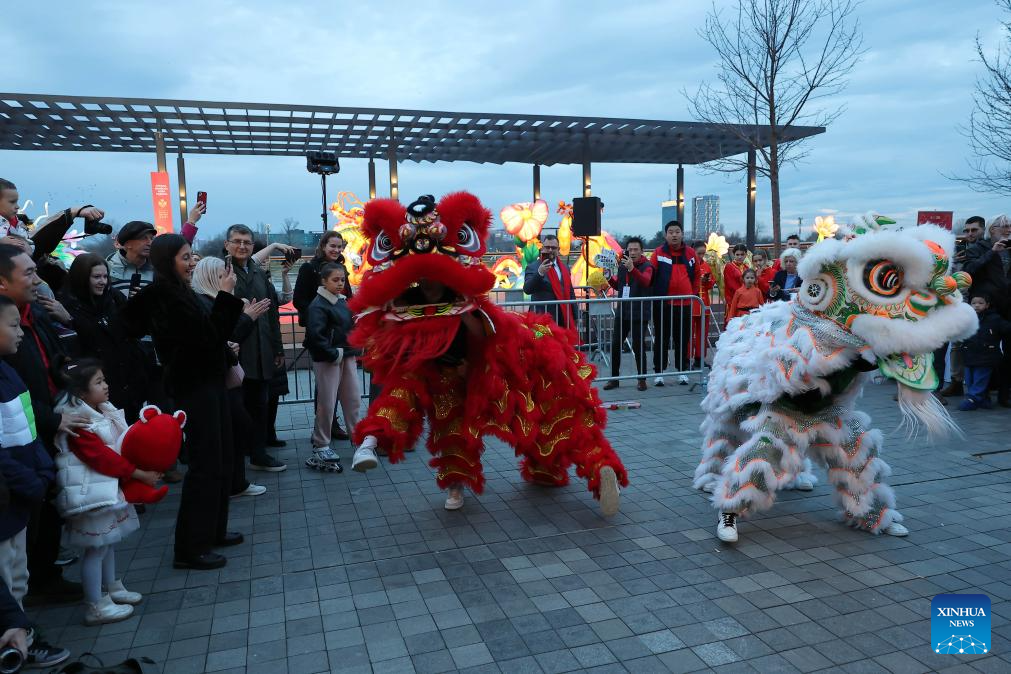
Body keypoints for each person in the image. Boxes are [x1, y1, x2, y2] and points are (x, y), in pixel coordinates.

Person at [122, 234, 244, 570]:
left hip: (209, 381)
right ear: (167, 261)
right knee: (205, 465)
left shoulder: (179, 292)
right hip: (194, 386)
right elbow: (207, 338)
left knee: (222, 458)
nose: (192, 263)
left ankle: (213, 531)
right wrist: (226, 297)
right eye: (185, 258)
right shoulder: (165, 296)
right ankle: (190, 548)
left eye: (192, 257)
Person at [0, 244, 85, 604]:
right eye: (29, 274)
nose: (38, 280)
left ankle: (45, 575)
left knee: (48, 508)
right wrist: (52, 417)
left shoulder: (36, 313)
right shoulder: (5, 326)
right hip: (22, 440)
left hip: (48, 426)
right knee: (26, 526)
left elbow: (59, 360)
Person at [52, 358, 147, 625]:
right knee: (96, 548)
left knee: (108, 542)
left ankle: (112, 587)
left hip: (102, 489)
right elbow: (100, 457)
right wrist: (136, 472)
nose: (106, 386)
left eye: (104, 380)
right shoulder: (80, 421)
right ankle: (95, 603)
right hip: (89, 494)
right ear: (82, 392)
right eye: (99, 382)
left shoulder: (99, 410)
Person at [190, 257, 269, 499]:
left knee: (238, 427)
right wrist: (247, 319)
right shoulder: (204, 303)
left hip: (228, 378)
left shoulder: (215, 301)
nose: (231, 278)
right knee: (236, 428)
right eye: (225, 274)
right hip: (217, 380)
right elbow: (222, 337)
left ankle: (236, 482)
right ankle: (233, 483)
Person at [0, 295, 55, 611]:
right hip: (9, 495)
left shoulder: (9, 371)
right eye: (11, 325)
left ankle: (24, 636)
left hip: (24, 492)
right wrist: (30, 481)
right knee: (6, 577)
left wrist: (42, 469)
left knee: (18, 575)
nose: (21, 330)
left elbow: (28, 426)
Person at [223, 225, 287, 473]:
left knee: (260, 406)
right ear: (227, 245)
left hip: (262, 352)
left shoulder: (260, 274)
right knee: (237, 411)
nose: (242, 246)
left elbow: (272, 314)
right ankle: (240, 457)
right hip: (236, 352)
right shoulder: (222, 273)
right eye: (237, 241)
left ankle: (259, 453)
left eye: (247, 242)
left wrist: (278, 348)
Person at [58, 254, 149, 421]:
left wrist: (137, 310)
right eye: (96, 277)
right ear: (82, 277)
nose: (103, 281)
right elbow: (88, 340)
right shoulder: (67, 305)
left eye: (105, 276)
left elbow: (131, 332)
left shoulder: (114, 298)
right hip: (98, 385)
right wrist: (71, 321)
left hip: (129, 379)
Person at [293, 232, 354, 440]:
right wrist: (319, 314)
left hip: (341, 335)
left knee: (344, 387)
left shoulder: (342, 268)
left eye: (340, 247)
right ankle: (325, 426)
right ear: (323, 245)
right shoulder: (309, 268)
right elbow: (298, 299)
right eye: (333, 246)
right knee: (325, 387)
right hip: (321, 332)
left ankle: (332, 424)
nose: (336, 250)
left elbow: (349, 298)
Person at [303, 264, 362, 471]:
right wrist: (333, 353)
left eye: (342, 280)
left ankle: (358, 441)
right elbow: (315, 336)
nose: (340, 284)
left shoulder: (342, 302)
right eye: (335, 280)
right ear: (324, 281)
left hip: (345, 355)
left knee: (353, 399)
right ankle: (321, 444)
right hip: (329, 358)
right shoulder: (318, 305)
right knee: (327, 403)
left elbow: (351, 328)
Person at [251, 241, 296, 449]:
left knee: (273, 395)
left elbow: (285, 298)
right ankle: (257, 440)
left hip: (272, 345)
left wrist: (286, 275)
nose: (264, 262)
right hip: (255, 347)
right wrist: (276, 244)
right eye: (263, 258)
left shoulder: (266, 281)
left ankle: (270, 433)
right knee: (258, 399)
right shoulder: (246, 278)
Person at [649, 221, 697, 386]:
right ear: (666, 235)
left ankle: (682, 371)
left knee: (682, 339)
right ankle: (659, 373)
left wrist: (692, 293)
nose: (674, 235)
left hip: (684, 304)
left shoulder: (691, 253)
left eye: (677, 231)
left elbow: (696, 275)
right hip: (663, 305)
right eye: (671, 232)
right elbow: (651, 275)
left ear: (682, 234)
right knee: (661, 338)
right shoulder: (658, 253)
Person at [603, 237, 653, 391]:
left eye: (635, 249)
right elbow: (619, 286)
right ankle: (614, 379)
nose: (632, 252)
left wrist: (633, 269)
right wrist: (608, 277)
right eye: (629, 250)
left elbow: (646, 281)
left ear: (641, 251)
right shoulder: (623, 266)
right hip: (622, 311)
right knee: (616, 344)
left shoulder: (647, 266)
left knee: (638, 345)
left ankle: (642, 379)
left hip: (639, 312)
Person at [959, 294, 1011, 411]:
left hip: (986, 357)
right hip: (969, 355)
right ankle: (983, 399)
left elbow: (1007, 328)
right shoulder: (966, 318)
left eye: (980, 303)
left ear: (987, 305)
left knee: (980, 380)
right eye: (974, 303)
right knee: (970, 380)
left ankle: (972, 399)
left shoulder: (995, 319)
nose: (977, 305)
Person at [523, 234, 577, 331]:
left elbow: (570, 292)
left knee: (561, 345)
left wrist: (576, 316)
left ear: (558, 249)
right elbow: (527, 289)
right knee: (540, 344)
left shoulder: (565, 268)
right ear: (542, 248)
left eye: (553, 247)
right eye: (547, 247)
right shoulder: (533, 267)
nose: (550, 250)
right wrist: (540, 273)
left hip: (562, 319)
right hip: (541, 322)